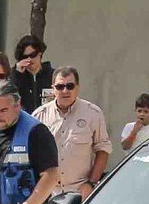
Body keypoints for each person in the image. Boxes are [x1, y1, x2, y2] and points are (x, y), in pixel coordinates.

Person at [36, 66, 112, 197]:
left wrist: (91, 183)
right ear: (53, 88)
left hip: (80, 191)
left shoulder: (93, 113)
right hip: (47, 192)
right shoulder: (39, 116)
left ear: (78, 88)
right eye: (60, 86)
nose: (65, 91)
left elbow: (103, 149)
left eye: (70, 86)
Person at [11, 35, 54, 113]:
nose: (30, 59)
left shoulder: (53, 75)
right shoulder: (15, 75)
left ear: (40, 53)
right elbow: (11, 98)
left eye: (33, 55)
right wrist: (17, 74)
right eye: (25, 57)